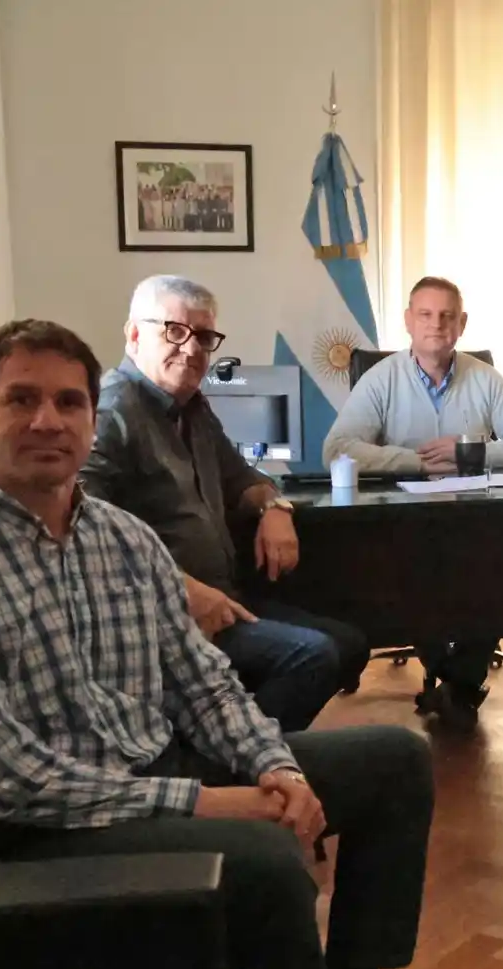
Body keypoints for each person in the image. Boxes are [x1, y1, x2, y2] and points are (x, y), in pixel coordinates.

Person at [0, 319, 434, 969]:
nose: (48, 420)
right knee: (267, 861)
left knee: (396, 761)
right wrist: (206, 802)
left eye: (69, 402)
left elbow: (205, 684)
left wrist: (274, 766)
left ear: (91, 417)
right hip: (34, 825)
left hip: (152, 765)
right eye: (21, 399)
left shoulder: (126, 540)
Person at [81, 275, 369, 731]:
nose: (193, 350)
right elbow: (83, 522)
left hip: (226, 596)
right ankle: (232, 760)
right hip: (161, 616)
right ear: (135, 335)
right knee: (312, 657)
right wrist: (180, 590)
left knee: (350, 644)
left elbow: (244, 476)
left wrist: (274, 507)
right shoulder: (112, 411)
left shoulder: (192, 406)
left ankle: (236, 738)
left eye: (205, 337)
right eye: (175, 331)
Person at [323, 276, 503, 731]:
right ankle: (459, 686)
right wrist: (417, 462)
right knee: (420, 574)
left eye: (447, 316)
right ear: (409, 322)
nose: (437, 325)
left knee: (494, 570)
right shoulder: (382, 377)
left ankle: (455, 686)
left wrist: (471, 453)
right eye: (425, 315)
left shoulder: (483, 378)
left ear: (462, 324)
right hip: (407, 520)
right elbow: (337, 449)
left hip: (475, 521)